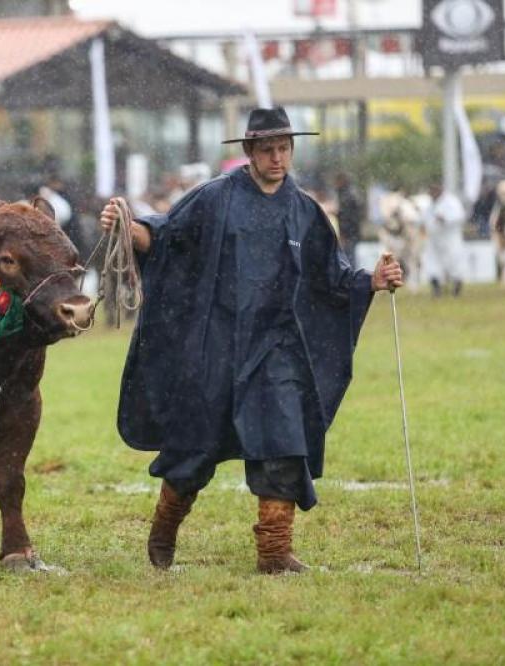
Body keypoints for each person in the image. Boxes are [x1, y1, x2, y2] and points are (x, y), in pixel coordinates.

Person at [99, 107, 403, 574]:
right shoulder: (214, 198)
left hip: (276, 352)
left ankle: (275, 555)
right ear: (249, 152)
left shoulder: (304, 211)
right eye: (268, 150)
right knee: (191, 453)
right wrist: (128, 227)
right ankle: (163, 532)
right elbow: (165, 239)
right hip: (214, 348)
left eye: (284, 149)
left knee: (282, 443)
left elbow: (332, 277)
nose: (278, 158)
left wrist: (373, 280)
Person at [421, 183, 467, 297]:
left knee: (454, 262)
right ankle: (436, 289)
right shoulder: (430, 204)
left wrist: (445, 218)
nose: (432, 194)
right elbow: (423, 218)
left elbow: (460, 216)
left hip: (450, 238)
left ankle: (457, 288)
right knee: (432, 263)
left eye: (434, 190)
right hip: (434, 239)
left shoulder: (451, 201)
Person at [335, 172, 362, 264]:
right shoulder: (351, 193)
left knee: (348, 260)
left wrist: (343, 232)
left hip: (348, 233)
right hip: (353, 232)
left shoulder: (346, 196)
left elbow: (345, 216)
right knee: (350, 258)